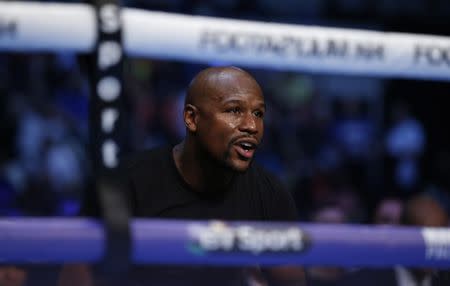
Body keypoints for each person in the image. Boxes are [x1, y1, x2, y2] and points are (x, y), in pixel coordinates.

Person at [59, 66, 305, 285]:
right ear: (191, 118)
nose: (251, 126)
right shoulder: (127, 182)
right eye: (234, 110)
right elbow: (78, 270)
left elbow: (289, 279)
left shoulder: (268, 191)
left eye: (258, 114)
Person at [335, 194, 450, 286]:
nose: (430, 246)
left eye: (438, 237)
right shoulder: (360, 282)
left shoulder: (444, 281)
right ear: (403, 234)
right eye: (425, 238)